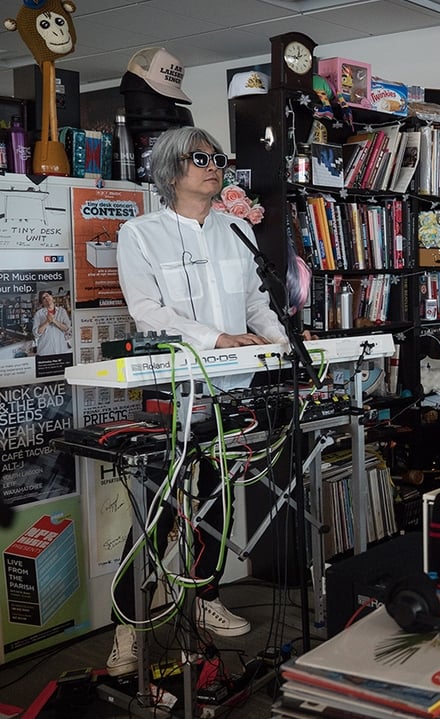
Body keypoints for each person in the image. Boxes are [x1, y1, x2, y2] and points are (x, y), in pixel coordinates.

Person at [108, 126, 290, 676]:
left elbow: (257, 304)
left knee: (215, 501)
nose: (213, 166)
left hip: (232, 390)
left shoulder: (236, 229)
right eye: (200, 158)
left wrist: (283, 346)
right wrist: (217, 338)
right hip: (174, 393)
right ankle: (126, 626)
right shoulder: (139, 234)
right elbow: (146, 310)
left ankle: (205, 596)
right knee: (161, 511)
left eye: (217, 158)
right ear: (170, 170)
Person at [32, 290, 71, 355]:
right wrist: (47, 322)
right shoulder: (38, 314)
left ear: (52, 297)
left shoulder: (62, 311)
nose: (46, 298)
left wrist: (54, 321)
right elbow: (36, 333)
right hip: (45, 351)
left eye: (47, 295)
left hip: (61, 350)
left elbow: (67, 329)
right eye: (43, 298)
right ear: (42, 303)